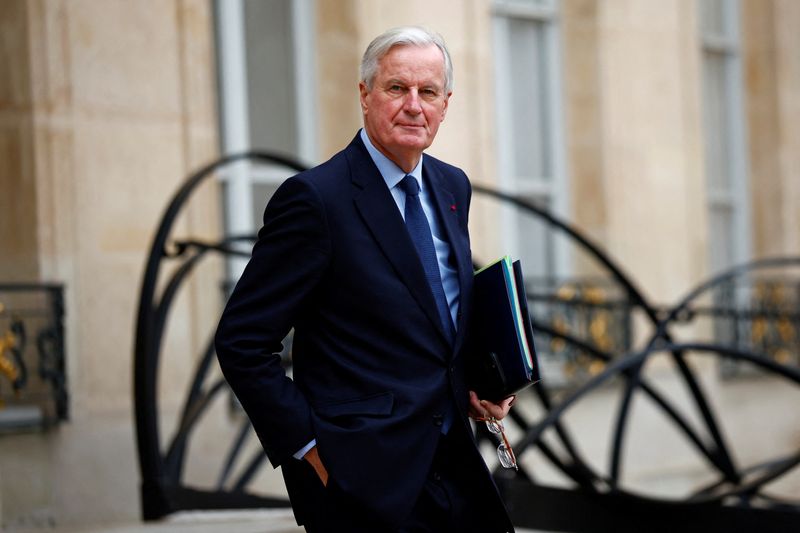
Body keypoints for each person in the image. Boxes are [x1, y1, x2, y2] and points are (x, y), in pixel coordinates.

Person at [215, 26, 515, 532]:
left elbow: (433, 319)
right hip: (361, 482)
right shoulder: (315, 200)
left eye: (429, 92)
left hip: (455, 466)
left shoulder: (451, 185)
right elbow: (241, 341)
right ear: (365, 95)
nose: (414, 105)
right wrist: (311, 450)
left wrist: (477, 384)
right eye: (397, 88)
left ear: (446, 104)